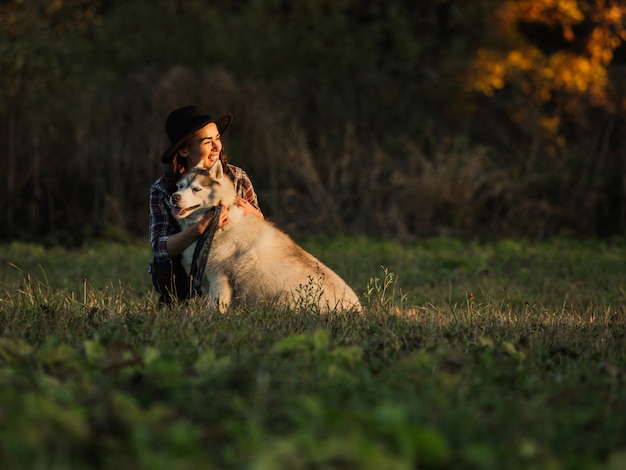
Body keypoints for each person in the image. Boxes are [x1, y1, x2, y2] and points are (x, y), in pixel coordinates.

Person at [149, 105, 263, 303]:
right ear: (184, 149)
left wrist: (257, 216)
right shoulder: (162, 189)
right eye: (208, 142)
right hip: (182, 276)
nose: (217, 147)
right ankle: (181, 299)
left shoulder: (237, 178)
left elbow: (262, 232)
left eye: (217, 139)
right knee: (166, 263)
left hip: (236, 265)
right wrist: (199, 229)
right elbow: (159, 247)